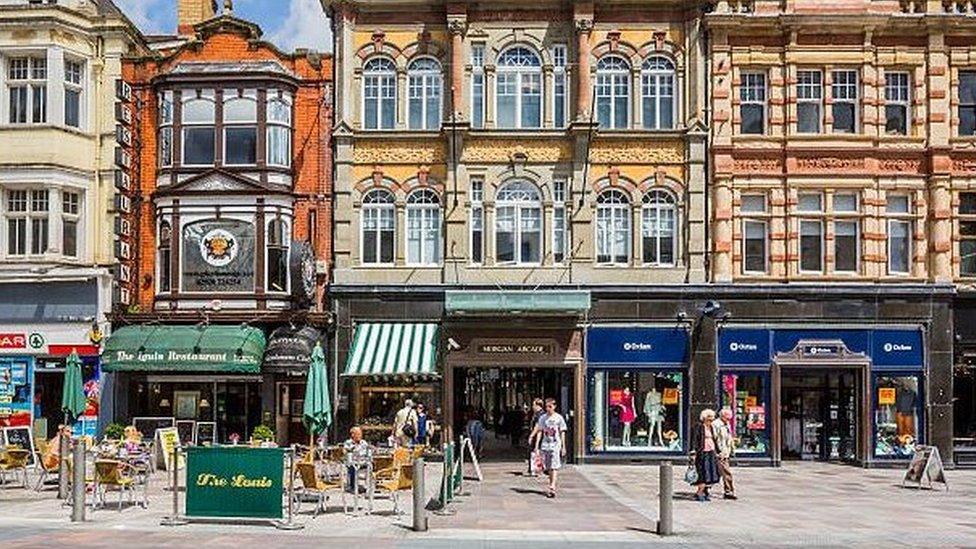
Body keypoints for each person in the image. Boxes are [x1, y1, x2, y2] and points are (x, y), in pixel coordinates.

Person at [530, 398, 567, 499]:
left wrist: (563, 446)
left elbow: (562, 432)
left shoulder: (559, 418)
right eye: (547, 406)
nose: (548, 409)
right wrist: (537, 446)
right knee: (547, 466)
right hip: (545, 445)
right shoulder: (543, 418)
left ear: (554, 407)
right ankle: (551, 482)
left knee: (554, 466)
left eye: (550, 406)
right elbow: (540, 431)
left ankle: (552, 487)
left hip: (555, 445)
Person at [689, 408, 721, 502]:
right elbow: (694, 439)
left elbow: (714, 440)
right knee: (702, 472)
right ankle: (700, 492)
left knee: (711, 473)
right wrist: (693, 451)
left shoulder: (711, 427)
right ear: (704, 417)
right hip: (702, 452)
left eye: (712, 417)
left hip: (711, 452)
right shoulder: (698, 426)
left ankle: (705, 491)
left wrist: (718, 451)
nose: (712, 419)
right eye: (709, 417)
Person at [712, 408, 737, 500]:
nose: (729, 418)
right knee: (726, 472)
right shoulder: (716, 424)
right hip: (720, 453)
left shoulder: (726, 424)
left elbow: (729, 438)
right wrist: (718, 452)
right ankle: (729, 491)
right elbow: (714, 439)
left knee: (717, 472)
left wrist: (732, 450)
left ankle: (705, 488)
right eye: (728, 417)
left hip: (726, 452)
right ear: (722, 415)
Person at [343, 426, 373, 493]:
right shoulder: (348, 442)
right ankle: (353, 487)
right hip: (352, 462)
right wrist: (351, 449)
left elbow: (368, 451)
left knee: (371, 465)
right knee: (353, 467)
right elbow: (345, 452)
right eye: (358, 434)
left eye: (360, 434)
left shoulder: (364, 442)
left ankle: (369, 486)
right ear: (352, 435)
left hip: (363, 462)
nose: (360, 436)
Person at [526, 398, 544, 476]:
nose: (532, 407)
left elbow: (537, 427)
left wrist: (531, 435)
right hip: (536, 436)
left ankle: (537, 469)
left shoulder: (540, 414)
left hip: (538, 436)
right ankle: (533, 468)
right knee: (534, 452)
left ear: (538, 405)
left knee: (537, 451)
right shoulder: (536, 414)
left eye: (533, 405)